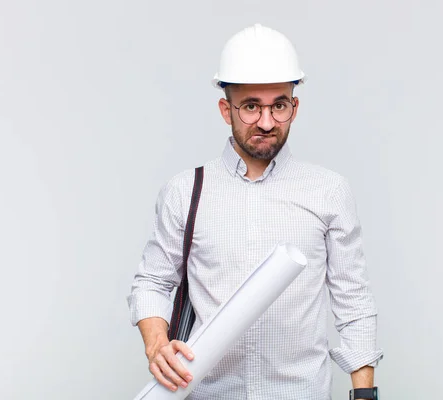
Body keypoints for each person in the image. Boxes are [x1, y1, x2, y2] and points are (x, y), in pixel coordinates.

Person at [128, 24, 383, 400]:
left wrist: (364, 396)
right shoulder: (185, 192)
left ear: (294, 107)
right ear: (225, 108)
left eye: (278, 105)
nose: (266, 122)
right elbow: (152, 281)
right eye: (250, 106)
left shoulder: (329, 191)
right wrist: (156, 344)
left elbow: (353, 299)